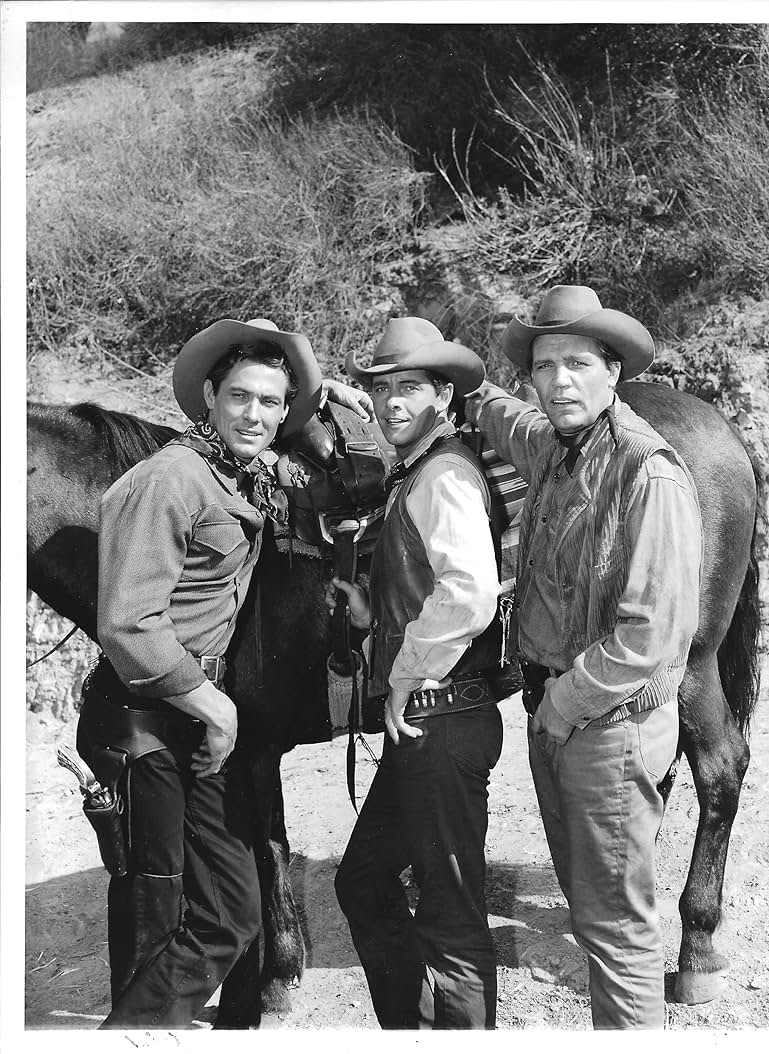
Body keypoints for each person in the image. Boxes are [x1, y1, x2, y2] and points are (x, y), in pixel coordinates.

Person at [77, 316, 372, 1030]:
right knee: (158, 907)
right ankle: (138, 1033)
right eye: (240, 397)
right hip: (147, 715)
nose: (256, 414)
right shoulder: (169, 479)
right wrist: (214, 706)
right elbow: (128, 622)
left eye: (270, 403)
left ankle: (142, 1028)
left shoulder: (233, 471)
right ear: (209, 396)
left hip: (194, 714)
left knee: (234, 911)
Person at [464, 285, 702, 1030]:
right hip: (560, 715)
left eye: (576, 364)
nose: (560, 381)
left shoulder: (646, 472)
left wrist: (563, 704)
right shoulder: (558, 446)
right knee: (590, 904)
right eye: (545, 367)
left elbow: (649, 634)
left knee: (616, 930)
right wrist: (462, 393)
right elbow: (508, 422)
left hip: (604, 725)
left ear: (612, 372)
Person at [326, 317, 503, 1029]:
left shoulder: (445, 474)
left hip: (443, 719)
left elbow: (469, 591)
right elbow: (431, 586)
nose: (393, 402)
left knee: (451, 921)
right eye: (383, 388)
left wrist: (404, 672)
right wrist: (378, 614)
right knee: (363, 884)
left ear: (444, 397)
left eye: (412, 388)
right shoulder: (418, 472)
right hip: (427, 724)